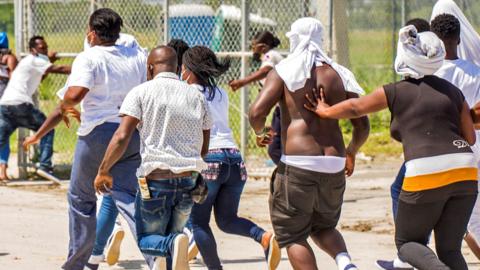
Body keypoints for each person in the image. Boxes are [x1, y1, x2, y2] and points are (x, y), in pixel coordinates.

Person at [304, 24, 477, 270]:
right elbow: (470, 138)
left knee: (407, 243)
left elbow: (356, 108)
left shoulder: (395, 91)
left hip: (425, 169)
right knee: (449, 250)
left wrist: (325, 110)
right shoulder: (454, 92)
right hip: (466, 171)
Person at [249, 18, 369, 270]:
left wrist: (261, 133)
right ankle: (345, 262)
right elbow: (362, 125)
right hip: (334, 162)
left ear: (295, 38)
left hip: (298, 163)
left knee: (293, 234)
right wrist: (351, 151)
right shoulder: (339, 73)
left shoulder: (284, 71)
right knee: (324, 226)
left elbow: (256, 112)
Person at [23, 32, 147, 268]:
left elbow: (71, 98)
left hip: (97, 135)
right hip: (130, 133)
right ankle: (157, 251)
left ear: (92, 34)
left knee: (82, 199)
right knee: (126, 198)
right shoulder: (136, 56)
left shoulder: (89, 57)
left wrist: (39, 134)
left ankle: (79, 263)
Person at [94, 45, 211, 270]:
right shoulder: (196, 95)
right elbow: (204, 146)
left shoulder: (141, 92)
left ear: (150, 68)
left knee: (147, 240)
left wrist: (104, 170)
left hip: (155, 181)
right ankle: (175, 242)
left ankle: (174, 242)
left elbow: (121, 136)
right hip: (188, 181)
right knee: (174, 249)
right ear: (178, 68)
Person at [182, 46, 281, 270]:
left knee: (198, 222)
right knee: (226, 220)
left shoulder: (188, 94)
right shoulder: (221, 94)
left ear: (188, 70)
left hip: (209, 162)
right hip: (234, 160)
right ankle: (263, 237)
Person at [375, 18, 431, 270]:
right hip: (454, 148)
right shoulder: (438, 59)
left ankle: (409, 255)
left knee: (401, 191)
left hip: (426, 150)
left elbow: (397, 129)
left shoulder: (415, 70)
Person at [432, 13, 480, 261]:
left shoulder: (429, 75)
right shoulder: (475, 72)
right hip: (474, 148)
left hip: (438, 149)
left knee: (452, 216)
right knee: (472, 215)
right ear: (459, 40)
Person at [0, 35, 70, 176]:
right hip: (20, 105)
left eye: (46, 48)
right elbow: (60, 69)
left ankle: (43, 165)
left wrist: (49, 60)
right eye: (41, 48)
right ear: (33, 50)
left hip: (5, 105)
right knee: (47, 129)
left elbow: (41, 77)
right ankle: (44, 166)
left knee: (1, 139)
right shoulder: (34, 60)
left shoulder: (30, 61)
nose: (45, 50)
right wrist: (85, 69)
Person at [0, 32, 18, 181]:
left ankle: (2, 171)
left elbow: (13, 78)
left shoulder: (9, 59)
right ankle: (2, 171)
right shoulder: (9, 57)